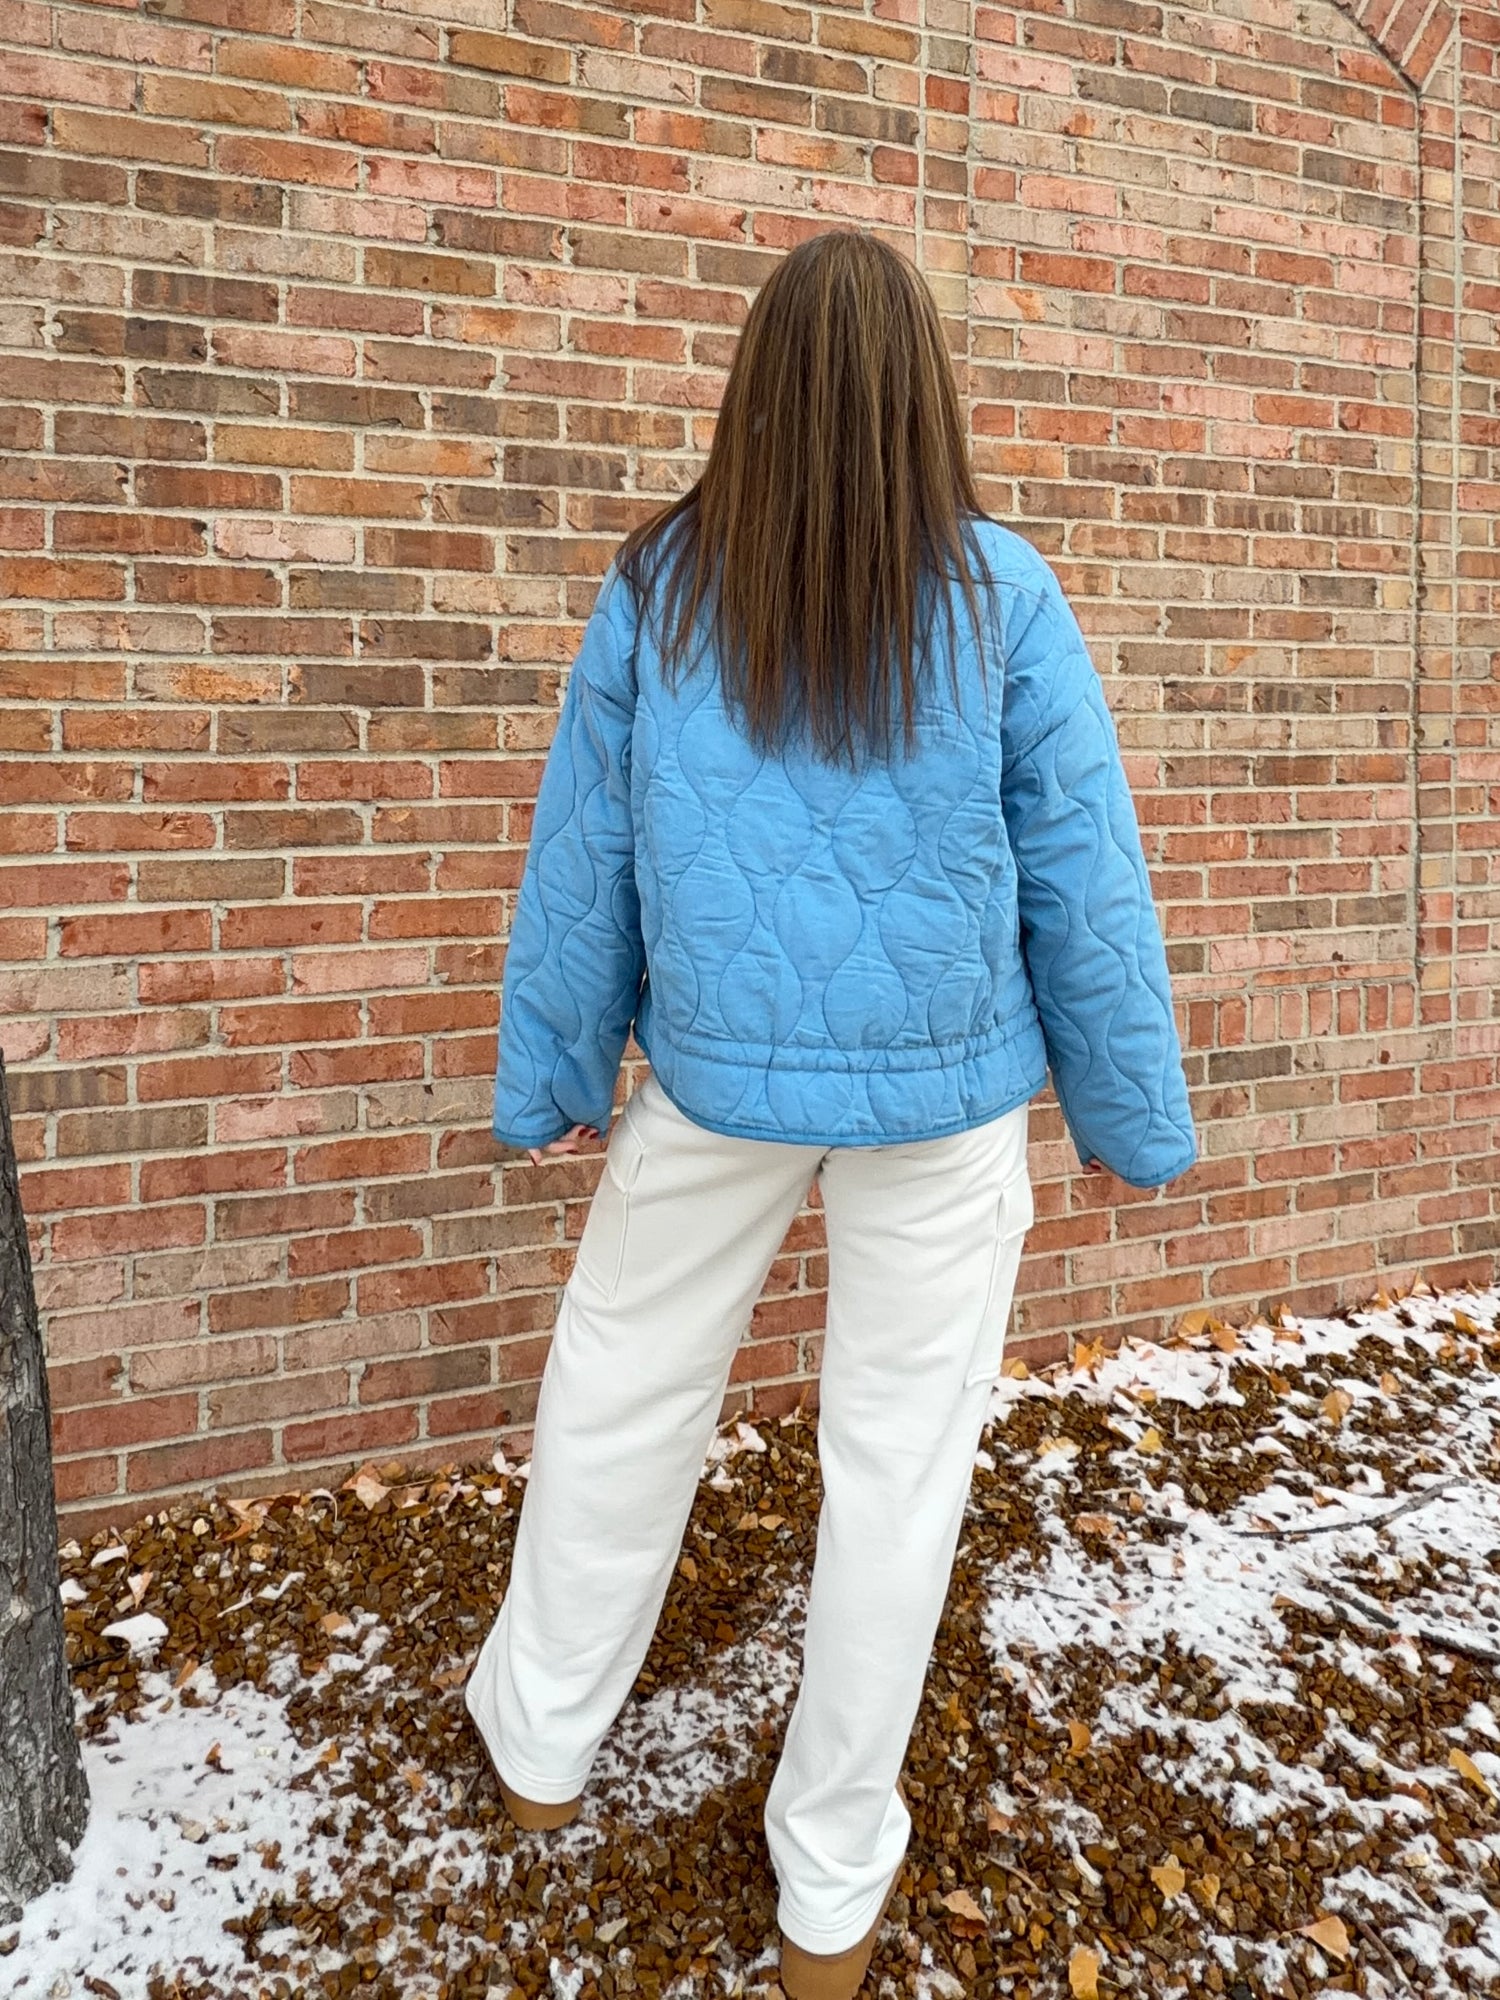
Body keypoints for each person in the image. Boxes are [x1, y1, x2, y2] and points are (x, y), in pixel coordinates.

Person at [465, 229, 1196, 2000]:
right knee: (898, 1473)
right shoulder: (1003, 596)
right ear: (923, 394)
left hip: (713, 1085)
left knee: (620, 1391)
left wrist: (556, 1071)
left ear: (756, 391)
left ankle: (540, 1749)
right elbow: (1086, 882)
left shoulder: (660, 589)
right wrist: (1129, 1118)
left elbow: (583, 854)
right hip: (944, 1104)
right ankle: (831, 1894)